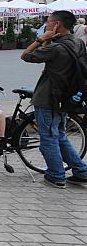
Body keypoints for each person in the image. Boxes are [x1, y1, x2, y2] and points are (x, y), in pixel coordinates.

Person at [21, 10, 87, 188]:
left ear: (57, 25)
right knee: (60, 136)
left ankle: (56, 175)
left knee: (49, 138)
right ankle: (80, 171)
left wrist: (41, 39)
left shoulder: (55, 47)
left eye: (48, 22)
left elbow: (26, 56)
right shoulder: (78, 43)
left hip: (48, 97)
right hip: (66, 96)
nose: (46, 25)